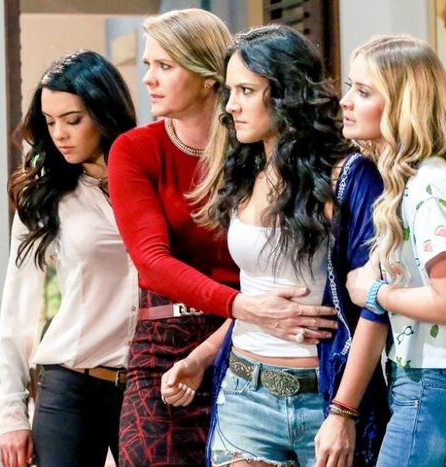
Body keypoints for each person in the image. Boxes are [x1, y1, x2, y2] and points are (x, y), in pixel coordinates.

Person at [108, 10, 338, 467]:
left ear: (207, 76)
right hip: (181, 335)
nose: (148, 78)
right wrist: (243, 310)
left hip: (264, 339)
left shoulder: (254, 150)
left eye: (164, 65)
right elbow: (151, 262)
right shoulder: (137, 149)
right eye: (148, 65)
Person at [160, 25, 389, 467]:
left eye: (246, 91)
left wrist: (343, 412)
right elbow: (260, 297)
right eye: (230, 91)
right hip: (244, 391)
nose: (231, 105)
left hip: (322, 398)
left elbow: (374, 309)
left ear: (287, 93)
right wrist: (200, 358)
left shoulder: (349, 176)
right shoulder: (244, 172)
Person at [321, 34, 446, 466]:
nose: (346, 101)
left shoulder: (428, 187)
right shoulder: (415, 181)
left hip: (438, 389)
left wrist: (375, 293)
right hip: (445, 387)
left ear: (402, 105)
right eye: (351, 87)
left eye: (363, 91)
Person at [0, 50, 137, 467]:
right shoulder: (46, 197)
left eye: (72, 120)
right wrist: (12, 413)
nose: (59, 135)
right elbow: (18, 306)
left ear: (104, 112)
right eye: (50, 122)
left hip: (149, 384)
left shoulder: (151, 180)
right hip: (71, 388)